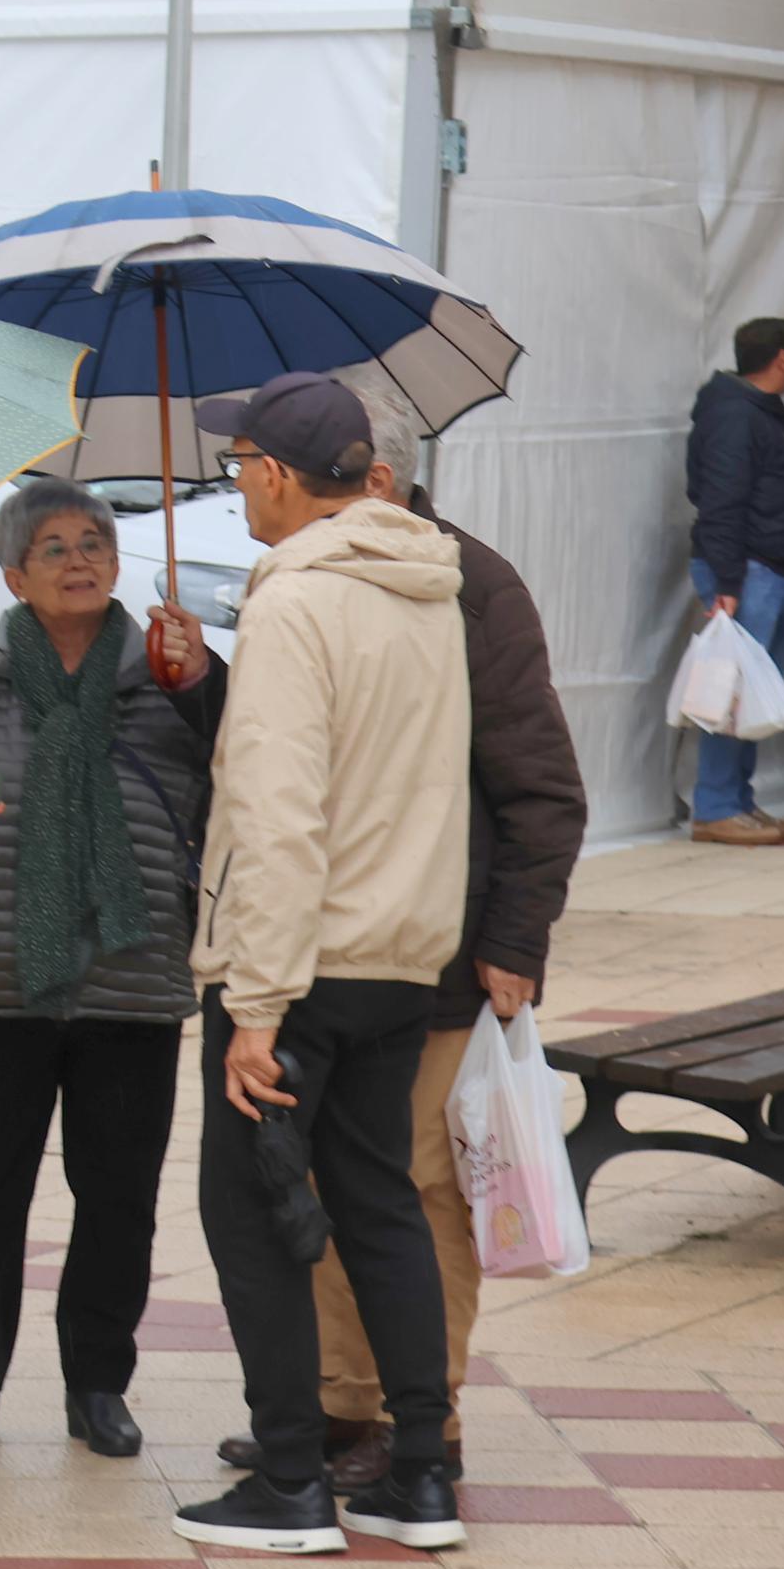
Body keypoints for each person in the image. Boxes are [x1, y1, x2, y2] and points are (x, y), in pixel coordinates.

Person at [220, 382, 587, 1495]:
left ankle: (424, 1419)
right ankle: (345, 1403)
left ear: (379, 480)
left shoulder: (463, 582)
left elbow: (538, 782)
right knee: (335, 1187)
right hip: (364, 932)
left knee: (415, 1188)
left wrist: (513, 938)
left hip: (428, 943)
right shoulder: (318, 581)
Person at [169, 372, 475, 1560]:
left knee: (249, 1213)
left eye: (237, 464)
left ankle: (289, 1478)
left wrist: (252, 1003)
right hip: (399, 955)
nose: (232, 484)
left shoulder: (295, 604)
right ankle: (416, 1474)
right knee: (375, 1201)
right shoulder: (425, 591)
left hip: (297, 960)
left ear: (283, 475)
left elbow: (277, 814)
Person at [0, 482, 220, 1462]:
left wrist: (205, 684)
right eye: (52, 547)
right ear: (11, 576)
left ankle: (97, 1384)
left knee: (116, 1194)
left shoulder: (168, 671)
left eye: (93, 542)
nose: (78, 559)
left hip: (132, 978)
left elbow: (250, 767)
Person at [685, 316, 784, 845]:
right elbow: (720, 501)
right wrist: (728, 582)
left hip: (776, 569)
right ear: (782, 358)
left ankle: (739, 799)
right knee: (731, 693)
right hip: (747, 572)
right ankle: (714, 805)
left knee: (758, 694)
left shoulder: (767, 412)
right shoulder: (735, 416)